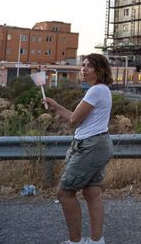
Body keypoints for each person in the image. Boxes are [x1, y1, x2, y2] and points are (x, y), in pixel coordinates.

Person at [44, 53, 114, 244]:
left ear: (99, 70)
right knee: (92, 193)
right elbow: (77, 117)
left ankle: (75, 241)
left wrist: (57, 108)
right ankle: (96, 241)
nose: (83, 69)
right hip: (98, 144)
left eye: (89, 66)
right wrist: (57, 105)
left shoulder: (95, 91)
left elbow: (74, 120)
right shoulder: (102, 90)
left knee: (64, 193)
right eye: (83, 65)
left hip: (90, 146)